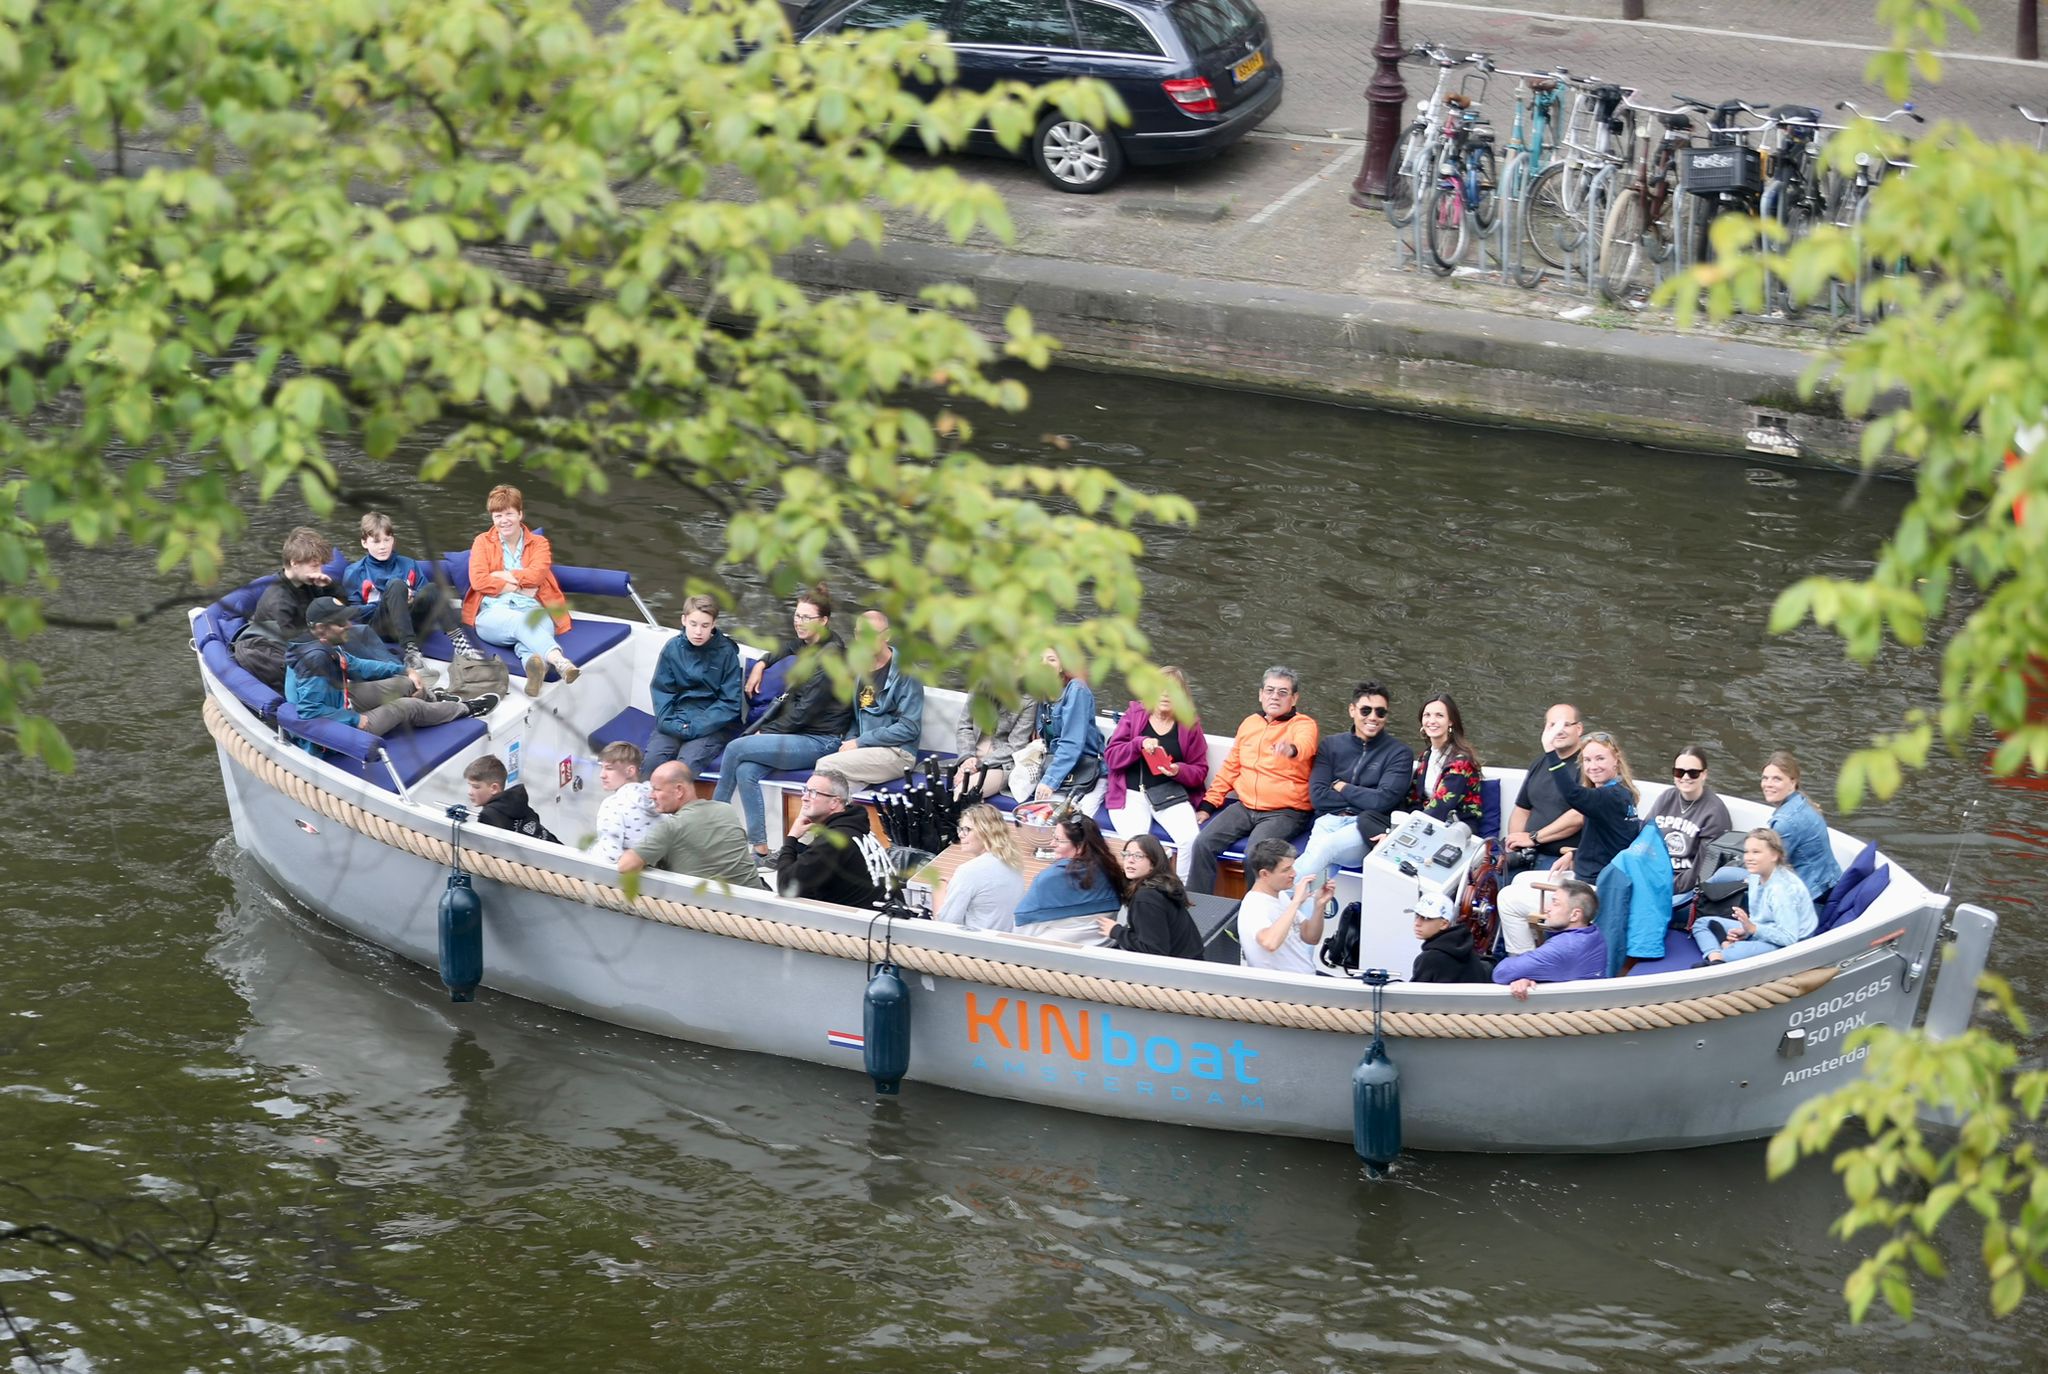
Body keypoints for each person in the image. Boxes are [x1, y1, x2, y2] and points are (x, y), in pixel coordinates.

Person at [718, 585, 856, 855]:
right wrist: (762, 663)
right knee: (746, 771)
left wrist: (766, 731)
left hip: (820, 740)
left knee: (735, 748)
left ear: (824, 621)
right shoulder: (814, 642)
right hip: (799, 734)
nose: (799, 623)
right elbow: (789, 646)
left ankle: (709, 823)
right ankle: (759, 847)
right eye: (797, 616)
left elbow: (803, 711)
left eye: (806, 618)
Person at [284, 597, 497, 755]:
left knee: (404, 684)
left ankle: (432, 704)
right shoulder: (315, 659)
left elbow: (356, 665)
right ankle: (467, 709)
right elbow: (310, 712)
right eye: (341, 623)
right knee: (407, 706)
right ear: (321, 628)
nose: (349, 626)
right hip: (332, 733)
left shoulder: (322, 643)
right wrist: (354, 719)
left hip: (339, 699)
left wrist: (404, 670)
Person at [1495, 729, 1639, 955]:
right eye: (1588, 760)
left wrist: (1551, 753)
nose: (1593, 766)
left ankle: (1521, 961)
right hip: (1594, 874)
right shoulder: (1622, 793)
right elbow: (1612, 842)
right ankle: (1541, 949)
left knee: (1507, 899)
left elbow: (1572, 794)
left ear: (1616, 760)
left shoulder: (1607, 797)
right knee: (1521, 879)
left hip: (1594, 890)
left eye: (1600, 758)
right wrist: (1575, 854)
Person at [1186, 667, 1321, 895]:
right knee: (1202, 843)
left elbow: (1305, 746)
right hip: (1245, 805)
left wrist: (1291, 749)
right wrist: (1209, 805)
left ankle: (1253, 918)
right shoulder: (1249, 723)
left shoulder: (1303, 725)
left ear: (1294, 698)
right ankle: (1197, 910)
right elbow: (1231, 767)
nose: (1274, 697)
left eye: (1282, 692)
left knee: (1255, 856)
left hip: (1285, 811)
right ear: (1260, 694)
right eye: (1269, 691)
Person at [463, 484, 580, 697]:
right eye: (498, 516)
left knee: (526, 637)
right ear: (492, 518)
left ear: (520, 514)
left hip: (534, 609)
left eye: (509, 514)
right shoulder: (482, 542)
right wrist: (519, 586)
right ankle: (560, 661)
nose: (503, 520)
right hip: (493, 613)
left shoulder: (539, 543)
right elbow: (478, 581)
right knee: (520, 624)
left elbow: (536, 575)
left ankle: (535, 668)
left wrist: (500, 575)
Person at [1293, 680, 1413, 887]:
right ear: (1352, 710)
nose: (1373, 718)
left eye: (1380, 712)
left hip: (1364, 827)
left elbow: (1381, 801)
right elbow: (1319, 796)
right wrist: (1364, 795)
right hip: (1327, 821)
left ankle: (1275, 900)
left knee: (1325, 849)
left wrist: (1342, 787)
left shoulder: (1399, 753)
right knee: (1317, 882)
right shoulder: (1331, 746)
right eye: (1366, 710)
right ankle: (1298, 912)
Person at [1102, 666, 1209, 880]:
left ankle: (1182, 892)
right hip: (1130, 794)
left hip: (1168, 793)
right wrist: (1138, 744)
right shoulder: (1135, 714)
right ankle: (1139, 895)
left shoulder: (1189, 724)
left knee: (1191, 840)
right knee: (1137, 847)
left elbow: (1200, 770)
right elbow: (1111, 757)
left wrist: (1177, 770)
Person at [341, 510, 466, 673]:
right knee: (396, 585)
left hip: (413, 623)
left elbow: (427, 596)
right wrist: (390, 600)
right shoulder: (355, 572)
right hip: (382, 627)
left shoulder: (408, 564)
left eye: (387, 540)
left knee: (432, 588)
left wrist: (412, 597)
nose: (383, 546)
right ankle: (411, 653)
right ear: (364, 543)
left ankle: (461, 645)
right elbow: (354, 612)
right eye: (376, 541)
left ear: (393, 539)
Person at [816, 611, 925, 789]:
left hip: (897, 752)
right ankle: (843, 817)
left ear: (887, 635)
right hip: (866, 749)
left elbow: (909, 728)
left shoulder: (906, 673)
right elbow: (856, 716)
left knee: (825, 767)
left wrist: (860, 742)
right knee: (841, 788)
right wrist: (850, 741)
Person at [621, 761, 766, 889]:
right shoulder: (726, 809)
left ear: (679, 790)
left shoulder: (672, 826)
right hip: (757, 903)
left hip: (713, 911)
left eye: (657, 789)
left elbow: (625, 865)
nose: (650, 795)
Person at [645, 595, 745, 774]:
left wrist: (694, 728)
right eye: (693, 624)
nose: (698, 632)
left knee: (684, 769)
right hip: (676, 717)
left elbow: (729, 703)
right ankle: (645, 802)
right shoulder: (673, 648)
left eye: (705, 626)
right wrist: (670, 723)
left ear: (713, 624)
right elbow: (662, 691)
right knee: (653, 761)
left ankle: (680, 802)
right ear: (684, 620)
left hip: (712, 724)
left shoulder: (726, 653)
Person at [1692, 827, 1818, 966]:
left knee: (1737, 951)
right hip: (1763, 929)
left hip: (1791, 944)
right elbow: (1759, 918)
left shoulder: (1781, 890)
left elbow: (1789, 938)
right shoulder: (1755, 876)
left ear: (1774, 855)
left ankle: (1723, 954)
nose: (1748, 858)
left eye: (1756, 852)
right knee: (1702, 923)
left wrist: (1752, 929)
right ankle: (1716, 957)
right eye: (1747, 852)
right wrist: (1745, 931)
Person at [232, 526, 335, 690]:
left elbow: (332, 611)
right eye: (314, 566)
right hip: (278, 650)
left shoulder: (306, 582)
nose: (319, 571)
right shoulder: (279, 601)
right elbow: (295, 645)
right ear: (294, 563)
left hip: (309, 639)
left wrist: (328, 588)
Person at [775, 771, 883, 909]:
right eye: (805, 791)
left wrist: (791, 838)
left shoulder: (833, 841)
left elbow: (786, 886)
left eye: (813, 793)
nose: (804, 798)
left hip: (864, 925)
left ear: (834, 802)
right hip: (882, 918)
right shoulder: (860, 830)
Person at [1014, 814, 1125, 941]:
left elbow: (1022, 930)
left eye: (1058, 840)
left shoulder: (1048, 880)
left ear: (1080, 846)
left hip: (1053, 953)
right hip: (1105, 946)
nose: (1051, 843)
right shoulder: (1111, 869)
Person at [1096, 834, 1206, 959]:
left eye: (1138, 856)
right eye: (1126, 854)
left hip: (1178, 971)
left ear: (1153, 863)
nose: (1130, 860)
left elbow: (1154, 951)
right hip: (1192, 962)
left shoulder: (1146, 898)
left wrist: (1116, 931)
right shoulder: (1163, 885)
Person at [1235, 838, 1334, 975]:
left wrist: (1319, 905)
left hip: (1307, 976)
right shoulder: (1253, 906)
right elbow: (1270, 943)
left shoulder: (1281, 895)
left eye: (1292, 867)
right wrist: (1296, 903)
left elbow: (1311, 937)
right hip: (1286, 989)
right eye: (1286, 870)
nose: (1294, 873)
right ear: (1265, 874)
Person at [1644, 745, 1733, 895]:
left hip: (1683, 889)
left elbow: (1702, 869)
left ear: (1704, 774)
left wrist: (1667, 887)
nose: (1685, 777)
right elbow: (1644, 837)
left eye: (1693, 773)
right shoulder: (1667, 797)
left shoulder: (1714, 812)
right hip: (1654, 874)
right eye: (1679, 772)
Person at [1504, 703, 1586, 864]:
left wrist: (1534, 838)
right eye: (1553, 725)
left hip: (1560, 858)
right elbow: (1522, 809)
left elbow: (1579, 816)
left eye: (1566, 725)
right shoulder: (1540, 762)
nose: (1559, 730)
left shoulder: (1588, 765)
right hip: (1527, 852)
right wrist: (1515, 844)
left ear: (1579, 729)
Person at [1493, 879, 1604, 997]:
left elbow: (1501, 973)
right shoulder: (1595, 934)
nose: (1547, 909)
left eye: (1555, 903)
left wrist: (1523, 974)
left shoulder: (1562, 947)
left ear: (1575, 915)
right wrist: (1527, 976)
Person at [1033, 647, 1108, 816]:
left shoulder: (1076, 690)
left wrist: (1050, 781)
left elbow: (1072, 743)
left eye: (1051, 659)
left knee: (1076, 822)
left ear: (1062, 666)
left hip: (1088, 770)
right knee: (1043, 816)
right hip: (1062, 769)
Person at [1761, 750, 1842, 901]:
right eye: (1765, 778)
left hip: (1812, 897)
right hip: (1829, 884)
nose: (1768, 784)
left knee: (1723, 883)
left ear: (1792, 783)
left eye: (1777, 779)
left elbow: (1769, 871)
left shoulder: (1785, 822)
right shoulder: (1802, 803)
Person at [934, 804, 1027, 932]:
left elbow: (946, 923)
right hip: (1005, 942)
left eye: (966, 829)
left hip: (975, 946)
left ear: (985, 832)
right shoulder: (1013, 864)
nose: (961, 835)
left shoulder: (968, 872)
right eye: (960, 829)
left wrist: (939, 888)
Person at [1408, 693, 1485, 828]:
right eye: (1427, 715)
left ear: (1450, 721)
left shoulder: (1461, 762)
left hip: (1455, 827)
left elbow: (1441, 807)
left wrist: (1406, 828)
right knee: (1369, 819)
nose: (1432, 721)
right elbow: (1412, 799)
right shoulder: (1426, 756)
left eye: (1439, 715)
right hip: (1425, 820)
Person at [951, 684, 1038, 802]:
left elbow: (1015, 746)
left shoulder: (1028, 699)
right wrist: (967, 758)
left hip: (1000, 764)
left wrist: (977, 765)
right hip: (971, 758)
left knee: (964, 792)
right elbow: (965, 727)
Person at [585, 741, 661, 866]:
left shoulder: (612, 805)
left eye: (609, 769)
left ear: (630, 771)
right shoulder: (659, 797)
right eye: (602, 767)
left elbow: (610, 856)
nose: (602, 775)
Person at [465, 754, 559, 842]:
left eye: (476, 787)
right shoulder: (517, 800)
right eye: (470, 786)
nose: (470, 792)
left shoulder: (489, 816)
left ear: (494, 788)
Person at [1408, 891, 1492, 983]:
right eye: (1417, 916)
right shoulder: (1469, 952)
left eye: (1426, 918)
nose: (1417, 923)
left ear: (1444, 924)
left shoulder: (1428, 960)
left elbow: (1414, 995)